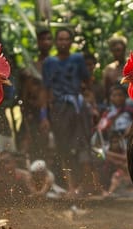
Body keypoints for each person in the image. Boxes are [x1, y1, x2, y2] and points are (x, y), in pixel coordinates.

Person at [41, 28, 92, 196]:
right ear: (56, 42)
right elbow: (46, 90)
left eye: (66, 39)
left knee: (83, 143)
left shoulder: (78, 59)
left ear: (71, 42)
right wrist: (44, 116)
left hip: (77, 106)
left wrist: (92, 105)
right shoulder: (49, 62)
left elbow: (87, 82)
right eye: (60, 39)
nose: (63, 42)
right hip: (59, 108)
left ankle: (83, 186)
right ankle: (70, 186)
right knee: (63, 147)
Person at [17, 29, 51, 160]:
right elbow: (26, 94)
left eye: (48, 39)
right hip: (33, 113)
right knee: (28, 145)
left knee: (51, 149)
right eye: (42, 39)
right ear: (38, 42)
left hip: (53, 112)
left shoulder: (56, 64)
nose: (46, 42)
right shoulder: (32, 67)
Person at [101, 34, 127, 99]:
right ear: (112, 51)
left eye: (119, 50)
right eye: (115, 51)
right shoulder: (109, 69)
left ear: (124, 49)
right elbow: (105, 92)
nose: (118, 53)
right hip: (115, 104)